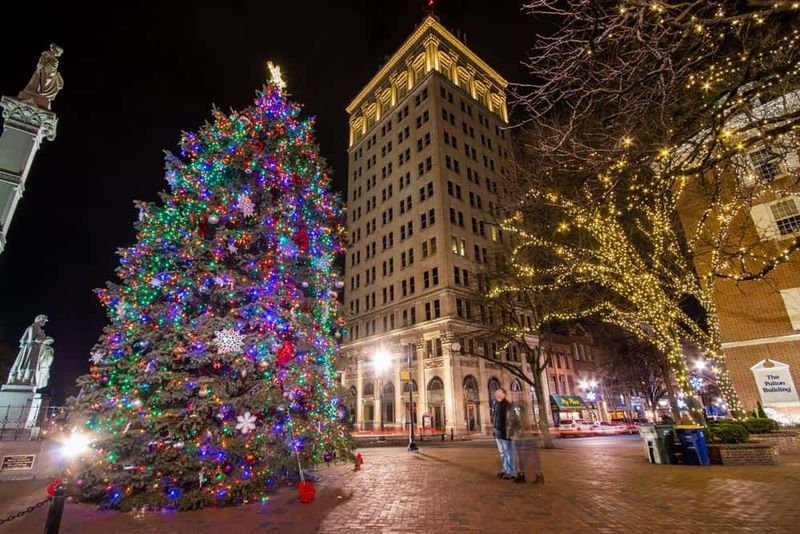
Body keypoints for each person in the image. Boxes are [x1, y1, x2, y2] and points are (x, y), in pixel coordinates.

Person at [509, 403, 545, 484]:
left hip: (523, 437)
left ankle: (536, 475)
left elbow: (524, 424)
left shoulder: (523, 410)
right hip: (519, 436)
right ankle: (524, 475)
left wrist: (520, 431)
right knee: (521, 457)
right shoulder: (516, 409)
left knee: (530, 457)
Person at [493, 387, 514, 479]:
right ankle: (505, 470)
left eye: (499, 392)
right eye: (496, 392)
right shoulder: (497, 404)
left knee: (508, 453)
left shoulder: (507, 405)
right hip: (498, 433)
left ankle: (511, 472)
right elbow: (495, 418)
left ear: (504, 394)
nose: (496, 394)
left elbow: (511, 420)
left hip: (505, 434)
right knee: (503, 453)